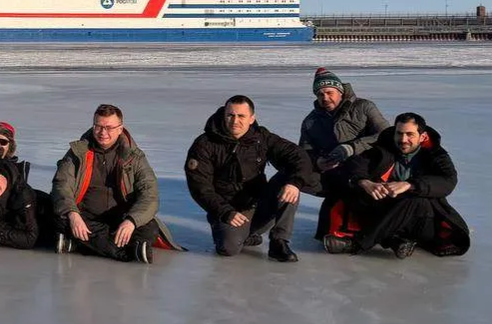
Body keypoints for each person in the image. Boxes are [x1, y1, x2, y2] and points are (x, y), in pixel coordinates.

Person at [316, 112, 470, 258]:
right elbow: (356, 165)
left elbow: (448, 181)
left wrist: (410, 185)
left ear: (422, 137)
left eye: (410, 134)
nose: (403, 139)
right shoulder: (384, 149)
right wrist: (364, 182)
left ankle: (357, 244)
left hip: (424, 220)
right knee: (358, 192)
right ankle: (395, 240)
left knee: (415, 201)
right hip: (389, 214)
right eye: (399, 133)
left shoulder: (435, 154)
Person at [185, 95, 312, 262]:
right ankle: (245, 234)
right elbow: (200, 187)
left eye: (241, 116)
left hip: (259, 204)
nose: (235, 121)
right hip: (228, 209)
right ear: (224, 115)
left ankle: (279, 242)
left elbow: (298, 156)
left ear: (252, 118)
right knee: (228, 249)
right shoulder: (205, 144)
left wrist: (295, 183)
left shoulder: (261, 137)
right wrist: (225, 212)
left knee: (289, 180)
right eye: (230, 115)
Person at [52, 104, 182, 264]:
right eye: (98, 126)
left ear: (120, 129)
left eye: (109, 128)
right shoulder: (78, 152)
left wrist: (131, 221)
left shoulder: (135, 157)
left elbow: (150, 195)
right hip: (85, 216)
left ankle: (80, 242)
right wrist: (73, 214)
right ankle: (128, 252)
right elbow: (61, 185)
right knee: (61, 218)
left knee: (149, 226)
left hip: (121, 218)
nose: (102, 133)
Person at [299, 67, 390, 195]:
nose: (325, 98)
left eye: (330, 93)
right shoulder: (310, 121)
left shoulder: (364, 107)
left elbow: (387, 134)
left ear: (340, 92)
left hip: (368, 166)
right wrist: (318, 162)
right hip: (334, 172)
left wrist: (352, 148)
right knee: (292, 176)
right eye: (320, 94)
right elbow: (304, 152)